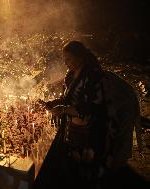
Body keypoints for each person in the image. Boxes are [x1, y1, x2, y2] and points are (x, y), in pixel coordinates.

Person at [34, 40, 143, 188]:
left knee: (93, 167)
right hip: (78, 129)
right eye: (64, 59)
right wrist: (51, 103)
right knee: (77, 166)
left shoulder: (94, 78)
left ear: (80, 57)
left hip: (94, 128)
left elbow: (90, 109)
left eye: (69, 59)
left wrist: (64, 109)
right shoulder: (71, 76)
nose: (66, 63)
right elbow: (69, 99)